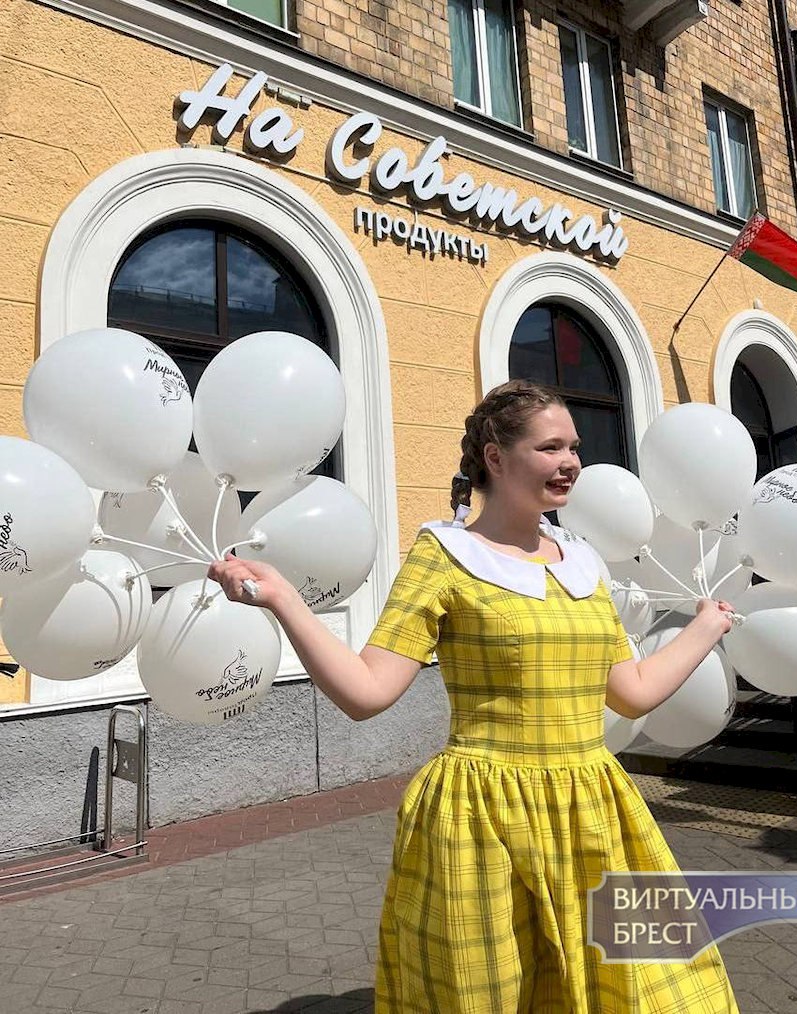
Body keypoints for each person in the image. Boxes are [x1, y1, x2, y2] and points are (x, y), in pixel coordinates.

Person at [208, 379, 740, 1012]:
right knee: (493, 993)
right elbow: (367, 692)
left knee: (648, 989)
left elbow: (631, 692)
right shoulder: (445, 554)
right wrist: (284, 600)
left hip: (591, 807)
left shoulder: (583, 561)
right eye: (550, 447)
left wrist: (706, 629)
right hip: (483, 816)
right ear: (495, 456)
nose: (571, 461)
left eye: (574, 446)